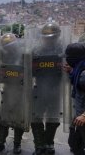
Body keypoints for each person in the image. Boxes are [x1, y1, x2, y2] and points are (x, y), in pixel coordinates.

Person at [31, 22, 63, 155]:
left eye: (52, 37)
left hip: (55, 89)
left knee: (53, 120)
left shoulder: (62, 50)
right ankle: (39, 145)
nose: (49, 39)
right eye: (46, 37)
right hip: (39, 89)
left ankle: (49, 143)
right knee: (35, 118)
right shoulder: (36, 50)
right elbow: (29, 69)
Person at [0, 33, 26, 154]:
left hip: (21, 90)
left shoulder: (23, 54)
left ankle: (17, 144)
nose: (8, 49)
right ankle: (0, 143)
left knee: (19, 119)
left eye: (9, 46)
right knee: (4, 119)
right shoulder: (1, 55)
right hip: (6, 90)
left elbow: (30, 71)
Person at [65, 43, 85, 155]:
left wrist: (83, 116)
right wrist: (71, 71)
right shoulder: (79, 68)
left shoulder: (83, 74)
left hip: (83, 118)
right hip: (79, 117)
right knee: (75, 144)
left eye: (69, 57)